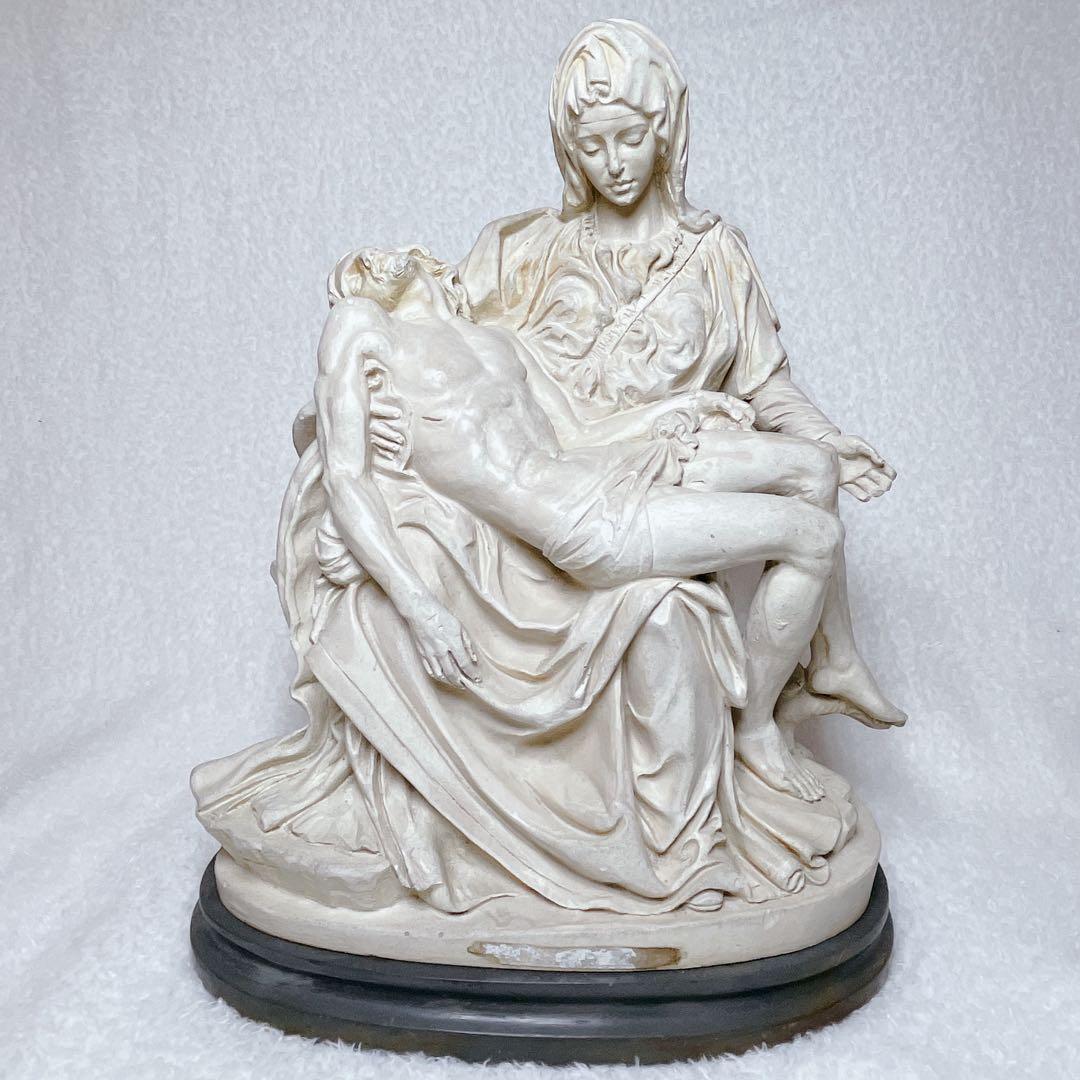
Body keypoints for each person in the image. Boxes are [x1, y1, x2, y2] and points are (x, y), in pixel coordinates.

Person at [456, 19, 906, 742]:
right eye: (591, 146)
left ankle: (812, 677)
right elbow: (429, 342)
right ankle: (799, 691)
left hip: (672, 457)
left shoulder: (716, 253)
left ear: (664, 130)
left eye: (630, 138)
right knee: (805, 508)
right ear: (568, 149)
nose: (613, 164)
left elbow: (765, 384)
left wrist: (829, 437)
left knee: (816, 467)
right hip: (571, 472)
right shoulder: (526, 250)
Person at [317, 245, 845, 800]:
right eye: (354, 266)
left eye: (380, 250)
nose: (367, 258)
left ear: (431, 263)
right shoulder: (363, 325)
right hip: (584, 520)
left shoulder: (497, 342)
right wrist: (418, 605)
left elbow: (579, 435)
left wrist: (681, 408)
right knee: (814, 538)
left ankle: (839, 662)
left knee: (815, 466)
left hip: (605, 468)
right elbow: (343, 475)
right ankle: (756, 729)